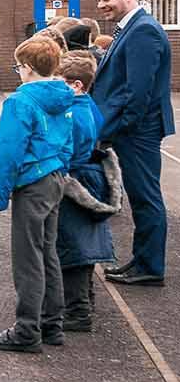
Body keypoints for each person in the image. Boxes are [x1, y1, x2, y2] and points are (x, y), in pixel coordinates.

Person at [0, 35, 74, 353]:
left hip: (32, 183)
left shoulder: (21, 102)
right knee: (47, 252)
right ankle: (52, 322)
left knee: (27, 258)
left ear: (27, 68)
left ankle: (26, 328)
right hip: (54, 178)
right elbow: (68, 142)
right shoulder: (64, 98)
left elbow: (8, 151)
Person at [92, 0, 174, 287]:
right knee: (141, 197)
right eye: (99, 0)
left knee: (145, 198)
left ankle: (150, 267)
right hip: (134, 129)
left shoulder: (143, 31)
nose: (102, 5)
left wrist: (120, 128)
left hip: (139, 131)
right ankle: (141, 261)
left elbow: (137, 92)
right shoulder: (134, 28)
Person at [55, 53, 120, 331]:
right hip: (91, 177)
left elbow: (71, 149)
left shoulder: (75, 114)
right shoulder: (89, 106)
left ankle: (78, 310)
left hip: (78, 180)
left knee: (74, 247)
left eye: (60, 83)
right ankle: (85, 302)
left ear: (77, 85)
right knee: (83, 246)